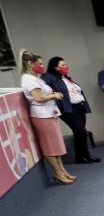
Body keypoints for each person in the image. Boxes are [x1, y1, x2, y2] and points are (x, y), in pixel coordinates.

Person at [21, 50, 74, 184]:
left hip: (50, 114)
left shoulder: (37, 78)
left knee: (56, 145)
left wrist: (53, 95)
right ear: (29, 64)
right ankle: (57, 173)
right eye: (39, 63)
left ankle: (62, 170)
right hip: (42, 116)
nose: (42, 66)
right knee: (50, 146)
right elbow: (38, 98)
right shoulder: (29, 79)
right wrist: (54, 95)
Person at [42, 56, 97, 164]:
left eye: (65, 64)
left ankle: (84, 156)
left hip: (79, 106)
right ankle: (82, 156)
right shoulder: (49, 77)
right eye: (62, 65)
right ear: (54, 67)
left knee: (80, 132)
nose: (65, 67)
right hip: (68, 108)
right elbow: (43, 88)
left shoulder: (65, 77)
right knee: (80, 131)